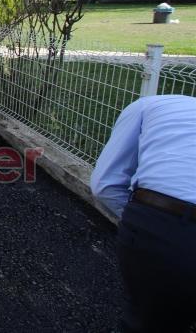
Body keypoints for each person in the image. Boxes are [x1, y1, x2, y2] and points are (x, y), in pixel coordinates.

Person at [91, 94, 196, 333]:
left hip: (165, 230)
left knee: (150, 322)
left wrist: (137, 221)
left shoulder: (150, 105)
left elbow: (104, 186)